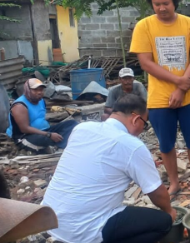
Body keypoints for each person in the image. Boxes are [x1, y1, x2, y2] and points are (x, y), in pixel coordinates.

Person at [41, 94, 175, 243]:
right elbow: (157, 193)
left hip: (50, 220)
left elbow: (94, 162)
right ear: (136, 119)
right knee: (163, 222)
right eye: (145, 124)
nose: (143, 129)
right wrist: (169, 211)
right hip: (83, 232)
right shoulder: (131, 145)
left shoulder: (82, 128)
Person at [130, 0, 190, 198]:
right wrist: (178, 83)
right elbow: (146, 63)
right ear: (151, 4)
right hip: (159, 98)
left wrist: (183, 88)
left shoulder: (188, 24)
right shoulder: (144, 26)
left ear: (174, 2)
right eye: (157, 4)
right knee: (166, 143)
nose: (162, 8)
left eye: (166, 3)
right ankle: (174, 182)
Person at [6, 78, 78, 154]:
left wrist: (48, 133)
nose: (39, 92)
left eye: (41, 90)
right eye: (35, 90)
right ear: (27, 90)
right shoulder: (20, 105)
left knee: (72, 124)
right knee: (46, 139)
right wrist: (49, 135)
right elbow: (25, 129)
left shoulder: (41, 101)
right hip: (25, 136)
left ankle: (57, 145)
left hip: (44, 130)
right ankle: (59, 145)